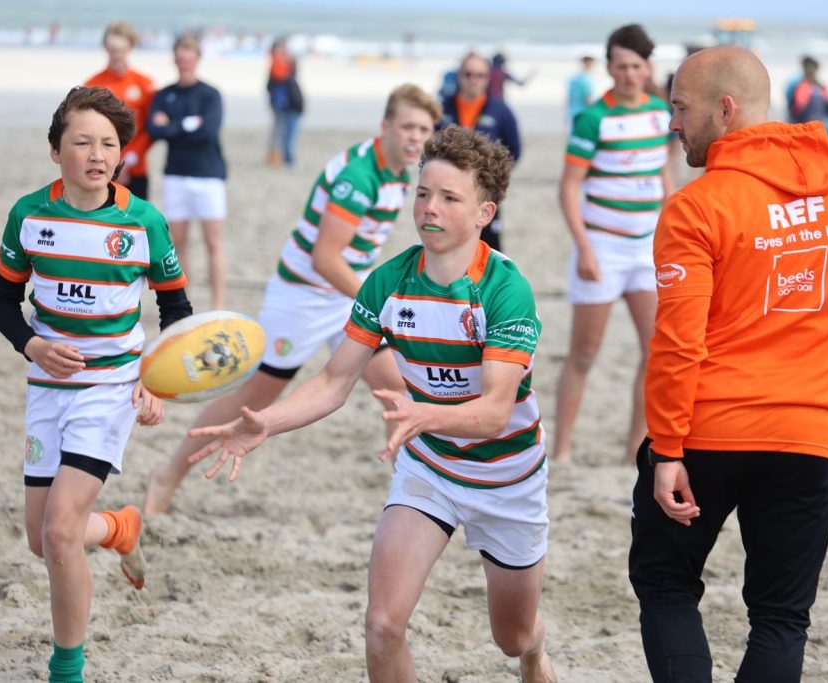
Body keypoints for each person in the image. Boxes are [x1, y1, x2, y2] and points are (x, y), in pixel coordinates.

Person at [188, 126, 556, 683]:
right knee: (383, 625)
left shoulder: (506, 289)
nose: (429, 208)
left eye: (449, 198)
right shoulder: (386, 282)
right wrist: (268, 422)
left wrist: (425, 414)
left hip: (507, 478)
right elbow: (334, 382)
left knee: (512, 638)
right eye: (423, 193)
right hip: (429, 466)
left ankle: (535, 653)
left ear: (485, 212)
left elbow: (494, 412)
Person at [629, 46, 828, 682]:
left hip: (708, 433)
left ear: (725, 108)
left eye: (680, 108)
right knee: (780, 617)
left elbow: (678, 342)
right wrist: (817, 405)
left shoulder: (696, 205)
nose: (673, 123)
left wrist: (666, 448)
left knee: (665, 584)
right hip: (807, 437)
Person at [144, 84, 441, 515]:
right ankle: (166, 476)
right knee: (255, 400)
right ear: (386, 126)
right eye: (408, 126)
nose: (416, 137)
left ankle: (411, 499)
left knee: (396, 387)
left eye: (424, 129)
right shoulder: (359, 176)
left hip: (343, 297)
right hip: (301, 297)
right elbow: (324, 259)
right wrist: (382, 306)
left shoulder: (403, 171)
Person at [0, 86, 193, 683]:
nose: (97, 154)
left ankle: (67, 668)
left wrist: (158, 382)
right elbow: (1, 302)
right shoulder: (29, 215)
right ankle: (121, 527)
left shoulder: (143, 221)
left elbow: (176, 312)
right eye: (82, 142)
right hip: (48, 386)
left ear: (121, 155)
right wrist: (33, 344)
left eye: (109, 144)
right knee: (41, 539)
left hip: (111, 386)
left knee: (58, 530)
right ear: (56, 152)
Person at [553, 24, 672, 466]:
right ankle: (562, 450)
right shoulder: (592, 118)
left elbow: (664, 176)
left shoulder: (661, 113)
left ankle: (632, 453)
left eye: (636, 66)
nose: (628, 74)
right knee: (584, 353)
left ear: (647, 68)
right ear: (608, 68)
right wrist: (584, 248)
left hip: (646, 252)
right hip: (600, 248)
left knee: (655, 351)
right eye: (620, 66)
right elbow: (568, 188)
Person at [147, 33, 227, 309]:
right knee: (178, 242)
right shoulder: (165, 94)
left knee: (212, 241)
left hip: (209, 174)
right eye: (180, 59)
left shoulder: (210, 94)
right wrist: (187, 124)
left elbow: (208, 131)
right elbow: (154, 129)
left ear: (197, 60)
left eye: (189, 59)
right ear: (174, 59)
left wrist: (174, 126)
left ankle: (217, 304)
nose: (184, 64)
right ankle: (186, 303)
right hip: (176, 174)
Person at [438, 52, 521, 251]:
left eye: (480, 75)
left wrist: (492, 180)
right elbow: (430, 146)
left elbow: (515, 150)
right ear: (459, 76)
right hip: (445, 194)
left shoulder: (501, 111)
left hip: (484, 194)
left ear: (487, 78)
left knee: (488, 249)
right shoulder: (442, 109)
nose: (473, 80)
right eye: (468, 74)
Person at [85, 21, 156, 199]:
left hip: (136, 167)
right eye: (112, 50)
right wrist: (111, 161)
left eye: (120, 50)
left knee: (138, 224)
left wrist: (130, 159)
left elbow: (151, 128)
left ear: (130, 47)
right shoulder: (92, 84)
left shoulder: (145, 84)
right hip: (101, 167)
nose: (116, 55)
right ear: (106, 48)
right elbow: (85, 128)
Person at [266, 37, 304, 168]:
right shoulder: (277, 64)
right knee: (282, 131)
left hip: (287, 102)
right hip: (283, 103)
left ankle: (277, 157)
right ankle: (279, 157)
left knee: (281, 131)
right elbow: (280, 78)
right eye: (280, 48)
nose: (283, 51)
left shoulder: (283, 63)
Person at [566, 55, 595, 127]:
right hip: (582, 112)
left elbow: (568, 98)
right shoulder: (587, 80)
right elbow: (588, 100)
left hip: (572, 111)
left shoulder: (572, 78)